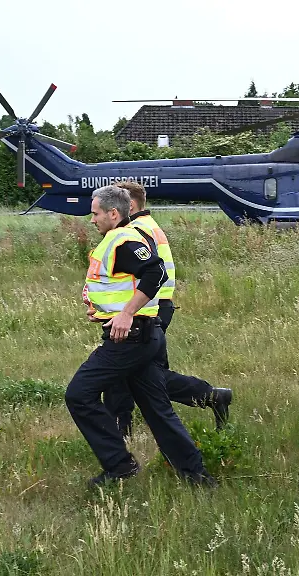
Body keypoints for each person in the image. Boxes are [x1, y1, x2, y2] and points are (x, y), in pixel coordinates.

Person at [67, 184, 214, 486]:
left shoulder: (124, 240)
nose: (91, 219)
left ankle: (119, 465)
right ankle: (196, 475)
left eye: (95, 214)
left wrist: (126, 314)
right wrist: (104, 311)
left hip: (130, 339)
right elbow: (121, 285)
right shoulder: (119, 239)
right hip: (141, 335)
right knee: (157, 409)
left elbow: (156, 272)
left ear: (113, 213)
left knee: (79, 394)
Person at [97, 181, 232, 435]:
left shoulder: (134, 231)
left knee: (129, 375)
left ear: (129, 205)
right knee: (145, 375)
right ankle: (211, 396)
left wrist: (125, 311)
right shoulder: (149, 225)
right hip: (156, 308)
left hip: (147, 311)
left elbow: (148, 275)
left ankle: (119, 431)